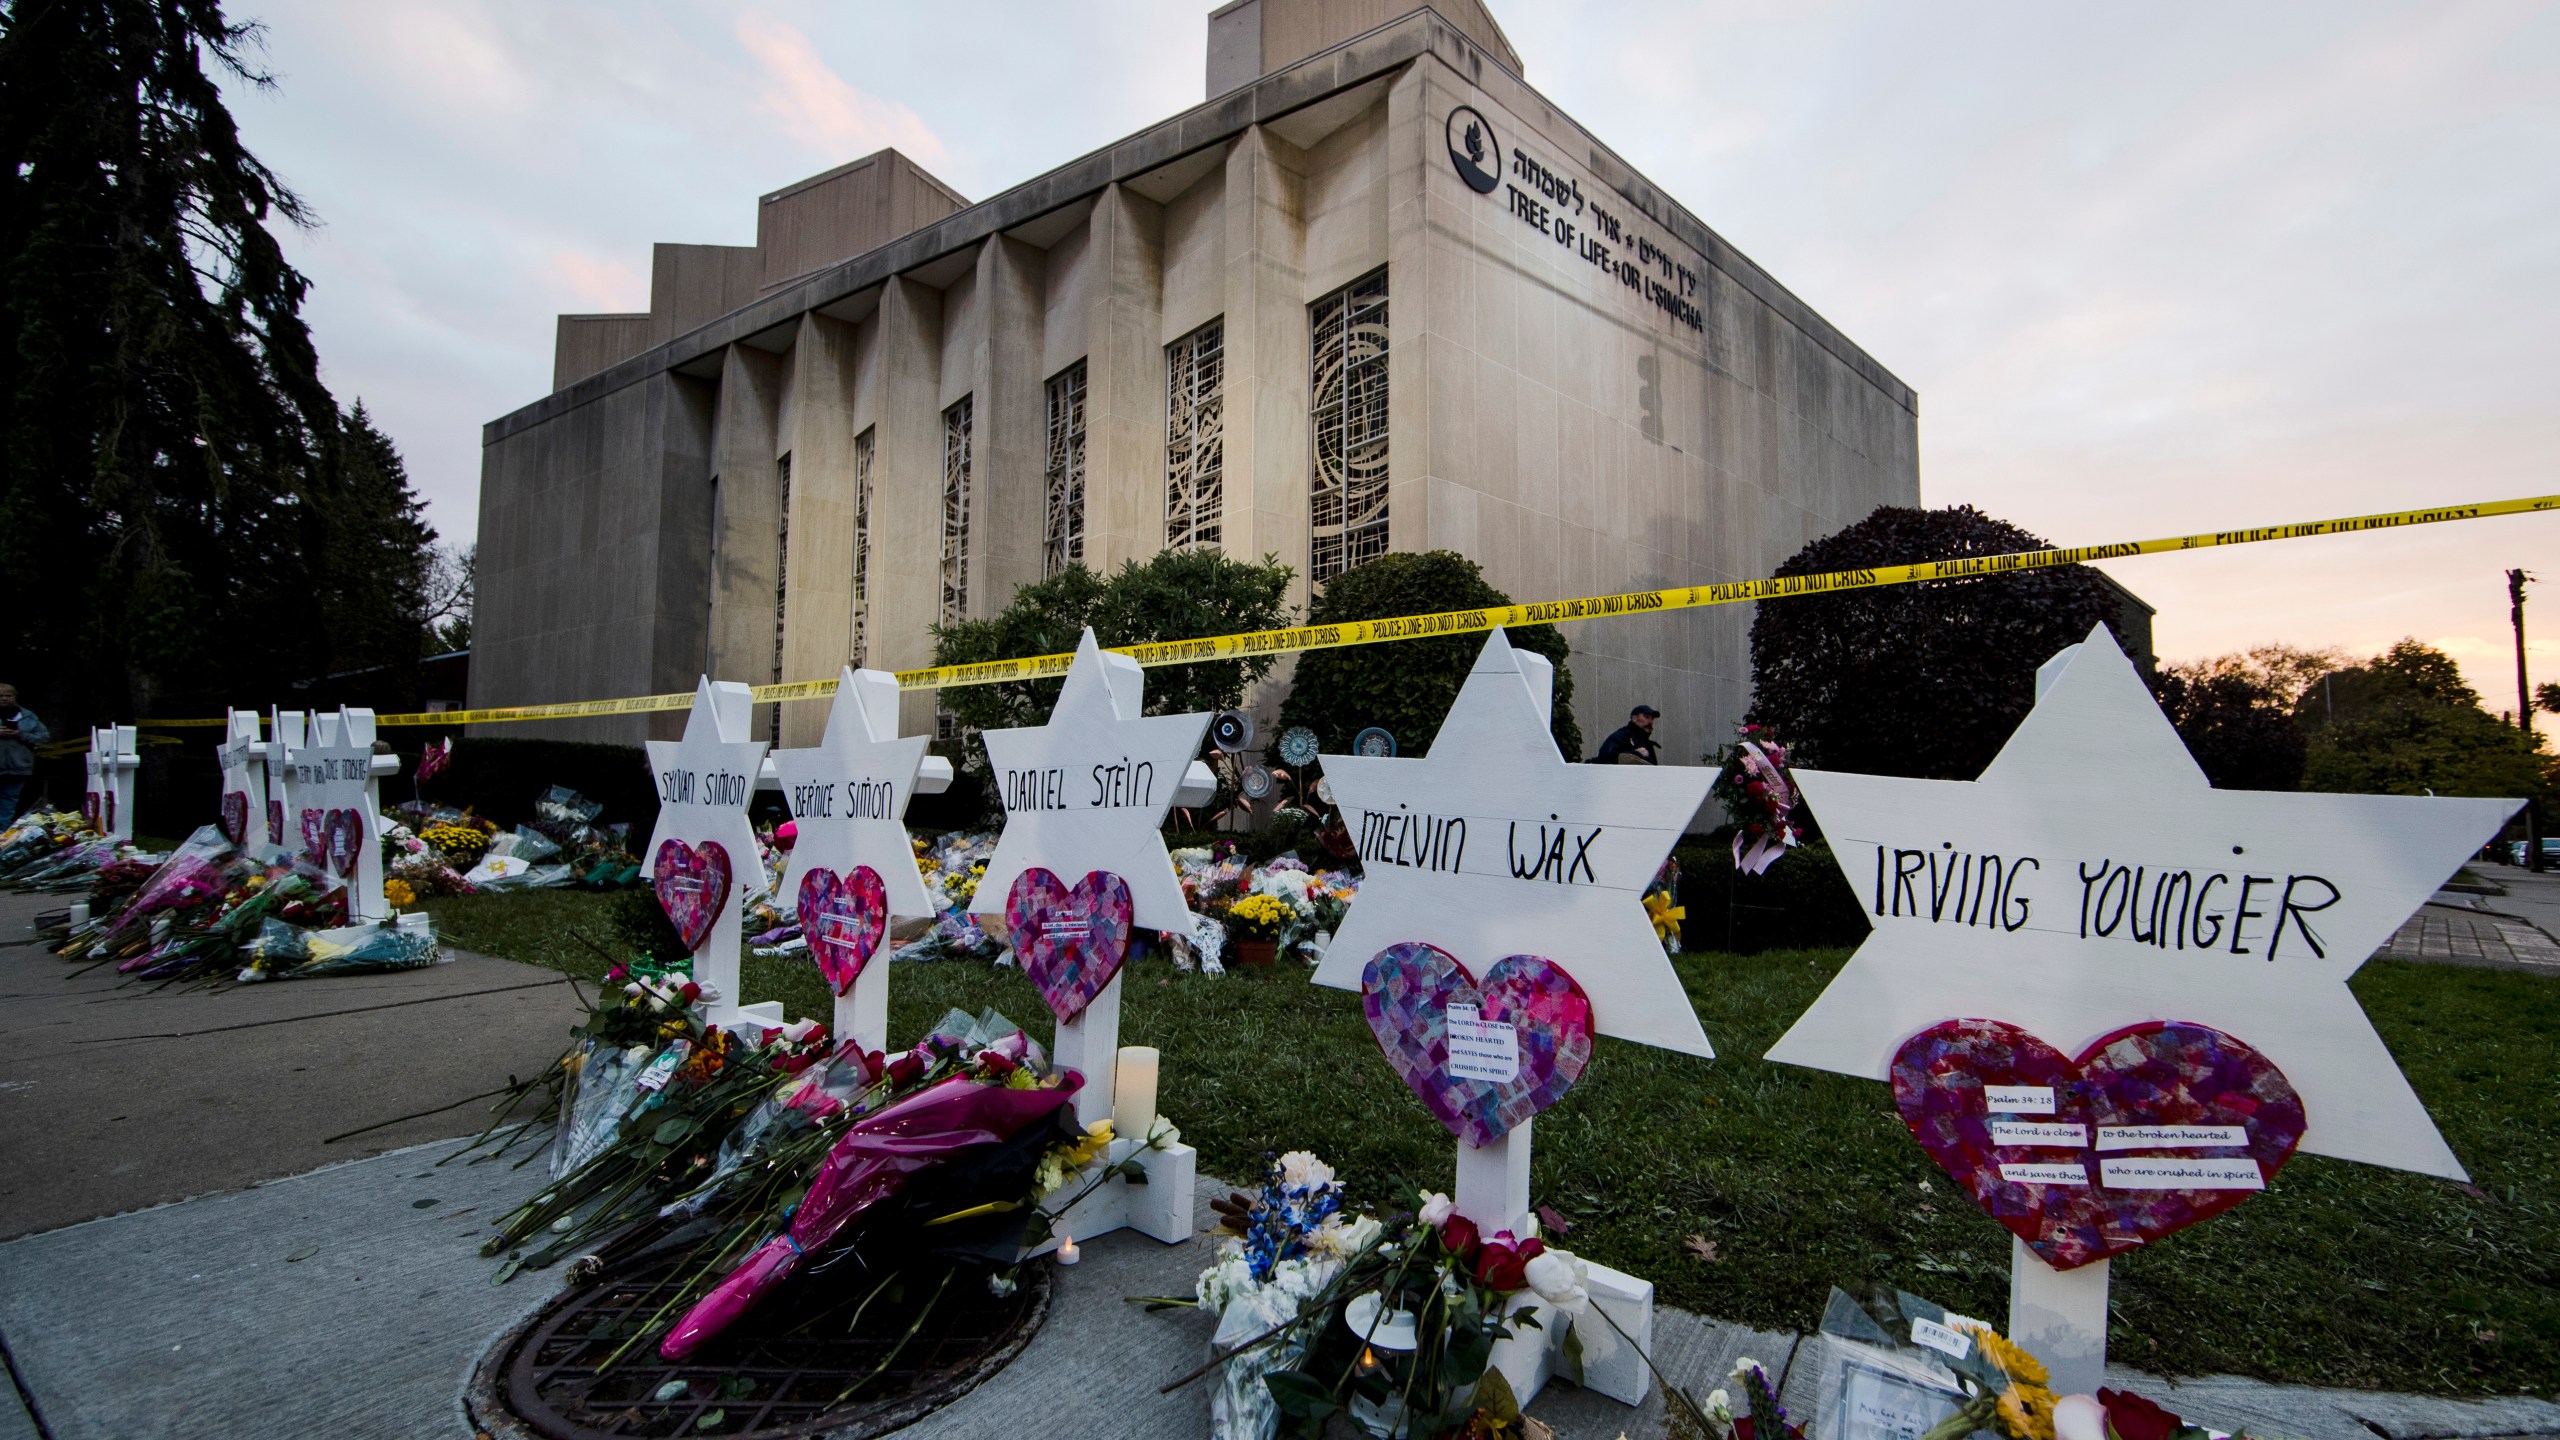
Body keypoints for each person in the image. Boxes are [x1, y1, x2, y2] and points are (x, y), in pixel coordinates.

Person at [0, 684, 50, 820]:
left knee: (9, 800)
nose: (4, 699)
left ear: (15, 697)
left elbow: (44, 737)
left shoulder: (27, 716)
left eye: (8, 696)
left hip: (18, 767)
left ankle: (1, 832)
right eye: (1, 696)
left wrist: (20, 734)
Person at [1593, 703, 1660, 765]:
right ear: (1634, 718)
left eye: (1652, 719)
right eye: (1646, 717)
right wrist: (1635, 754)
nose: (1650, 721)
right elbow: (1605, 756)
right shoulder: (1621, 736)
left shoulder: (1646, 742)